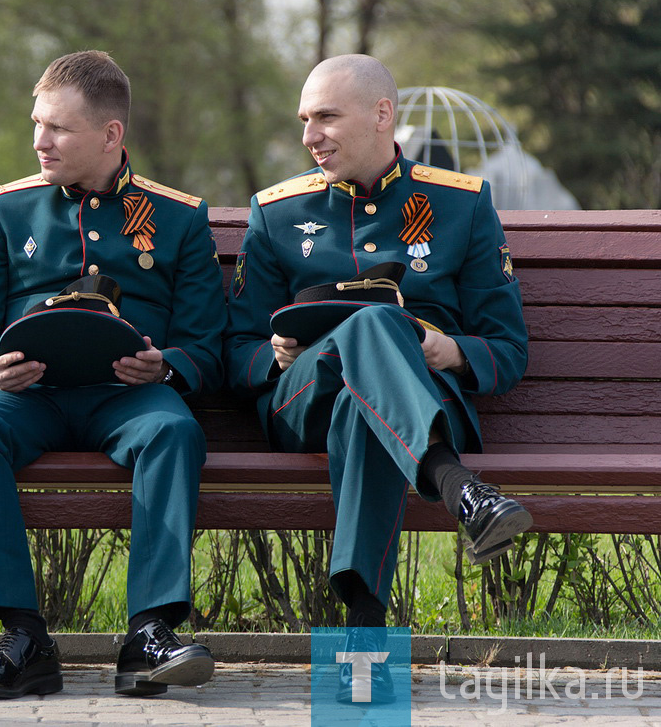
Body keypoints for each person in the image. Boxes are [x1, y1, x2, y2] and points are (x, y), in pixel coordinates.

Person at [224, 54, 531, 701]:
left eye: (327, 117)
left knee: (366, 390)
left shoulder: (460, 205)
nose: (311, 135)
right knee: (369, 324)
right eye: (305, 120)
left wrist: (446, 348)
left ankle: (363, 636)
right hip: (301, 398)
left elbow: (506, 347)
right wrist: (274, 351)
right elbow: (235, 350)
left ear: (382, 114)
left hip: (410, 396)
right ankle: (459, 487)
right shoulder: (276, 213)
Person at [0, 51, 225, 699]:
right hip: (27, 396)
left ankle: (149, 635)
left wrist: (167, 364)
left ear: (111, 135)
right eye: (37, 124)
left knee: (173, 432)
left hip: (129, 396)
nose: (40, 141)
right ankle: (24, 637)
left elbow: (206, 343)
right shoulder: (9, 210)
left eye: (59, 129)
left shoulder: (178, 217)